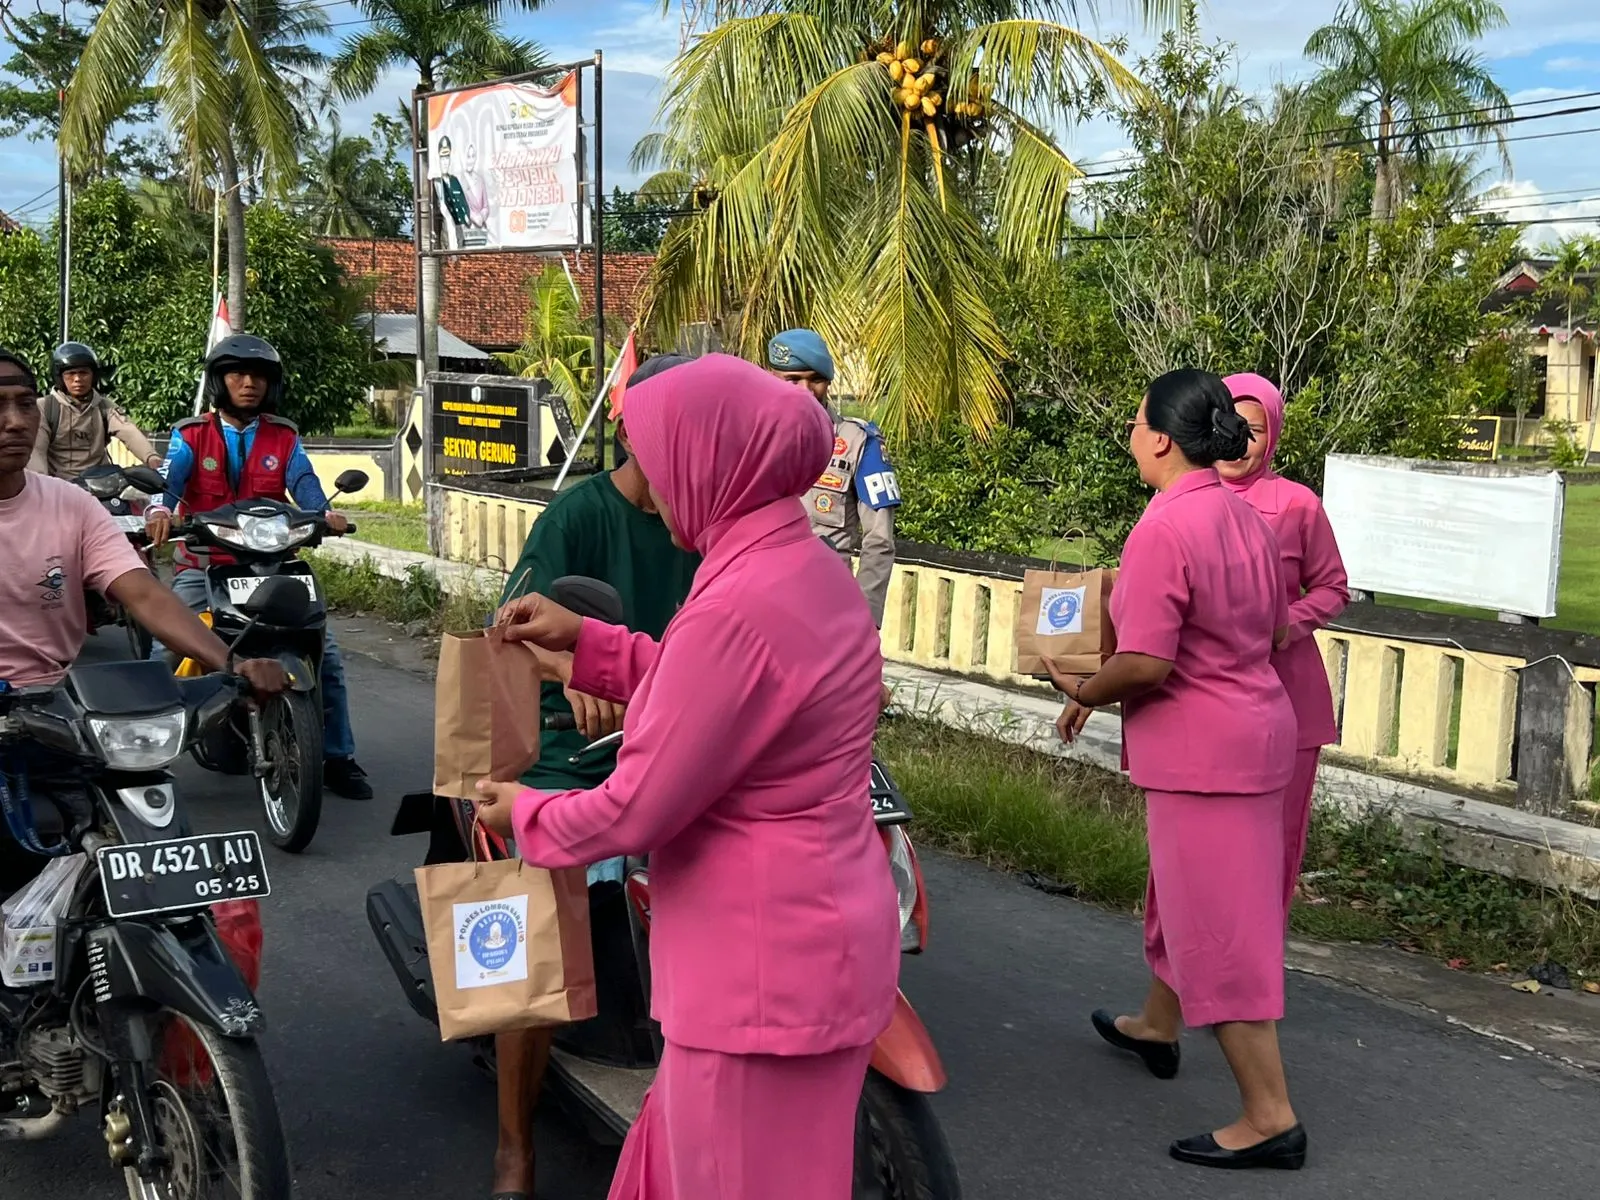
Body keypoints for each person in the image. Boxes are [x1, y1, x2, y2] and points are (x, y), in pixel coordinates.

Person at [474, 354, 900, 1200]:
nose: (655, 488)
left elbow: (635, 808)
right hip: (820, 944)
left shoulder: (737, 603)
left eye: (665, 467)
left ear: (717, 464)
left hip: (754, 970)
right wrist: (592, 645)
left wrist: (525, 812)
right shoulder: (803, 569)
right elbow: (718, 687)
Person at [1049, 368, 1304, 1171]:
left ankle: (1270, 1116)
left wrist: (1082, 685)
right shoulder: (1243, 514)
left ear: (1160, 436)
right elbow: (1262, 630)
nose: (1130, 436)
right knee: (1233, 923)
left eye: (1134, 422)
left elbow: (1149, 663)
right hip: (1257, 735)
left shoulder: (1165, 525)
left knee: (1215, 938)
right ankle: (1170, 1037)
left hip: (1203, 756)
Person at [486, 353, 701, 1200]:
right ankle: (514, 1146)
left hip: (678, 742)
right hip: (567, 754)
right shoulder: (577, 517)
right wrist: (573, 669)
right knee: (533, 940)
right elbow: (509, 630)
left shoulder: (713, 533)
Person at [0, 347, 287, 887]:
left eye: (23, 405)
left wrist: (234, 662)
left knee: (128, 863)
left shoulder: (70, 506)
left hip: (62, 717)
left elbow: (145, 595)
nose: (15, 421)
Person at [143, 335, 372, 801]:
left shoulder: (283, 436)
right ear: (219, 382)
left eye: (258, 377)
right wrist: (158, 512)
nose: (248, 384)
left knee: (323, 651)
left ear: (271, 385)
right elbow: (168, 481)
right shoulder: (191, 434)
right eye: (237, 375)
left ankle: (338, 757)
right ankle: (141, 754)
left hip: (276, 564)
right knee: (165, 649)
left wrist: (323, 513)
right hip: (205, 563)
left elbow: (304, 480)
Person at [1218, 373, 1349, 918]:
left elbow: (1332, 587)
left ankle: (1256, 973)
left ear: (1270, 437)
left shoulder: (1297, 504)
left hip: (1287, 694)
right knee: (1210, 844)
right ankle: (1190, 978)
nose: (1236, 442)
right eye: (1225, 425)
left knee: (1276, 839)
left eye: (1251, 430)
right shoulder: (1181, 497)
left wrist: (1284, 625)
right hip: (1211, 696)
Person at [767, 329, 901, 627]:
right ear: (771, 377)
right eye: (793, 379)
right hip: (761, 603)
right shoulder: (751, 438)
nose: (805, 390)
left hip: (826, 610)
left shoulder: (857, 442)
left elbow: (879, 540)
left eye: (815, 380)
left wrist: (864, 619)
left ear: (828, 383)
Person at [28, 341, 164, 481]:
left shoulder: (104, 406)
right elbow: (36, 450)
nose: (77, 379)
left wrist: (151, 457)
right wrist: (41, 484)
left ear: (94, 376)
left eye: (83, 373)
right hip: (60, 485)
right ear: (59, 377)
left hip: (101, 483)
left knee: (138, 500)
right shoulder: (45, 407)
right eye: (71, 374)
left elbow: (128, 431)